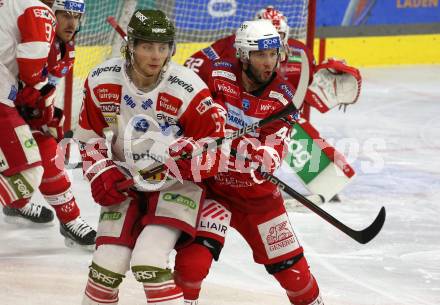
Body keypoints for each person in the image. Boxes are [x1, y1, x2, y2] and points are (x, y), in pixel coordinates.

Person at [75, 9, 225, 305]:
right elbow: (88, 136)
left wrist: (191, 157)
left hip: (174, 185)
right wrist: (101, 169)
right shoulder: (102, 79)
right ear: (131, 45)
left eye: (163, 47)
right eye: (147, 46)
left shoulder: (188, 87)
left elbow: (215, 148)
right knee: (105, 267)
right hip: (126, 180)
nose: (156, 55)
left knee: (148, 260)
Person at [174, 20, 324, 305]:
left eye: (273, 54)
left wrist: (262, 159)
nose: (269, 62)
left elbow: (274, 148)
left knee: (296, 276)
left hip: (257, 200)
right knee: (191, 266)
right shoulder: (217, 75)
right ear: (243, 55)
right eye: (260, 55)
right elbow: (191, 112)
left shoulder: (283, 98)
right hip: (213, 190)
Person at [2, 0, 97, 250]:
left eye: (76, 16)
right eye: (65, 15)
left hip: (14, 106)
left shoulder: (67, 49)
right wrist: (49, 116)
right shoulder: (33, 25)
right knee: (39, 155)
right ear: (52, 14)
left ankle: (68, 218)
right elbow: (30, 85)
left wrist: (48, 114)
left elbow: (41, 89)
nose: (71, 23)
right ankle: (20, 202)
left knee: (47, 153)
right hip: (7, 103)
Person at [185, 5, 361, 114]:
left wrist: (320, 79)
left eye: (279, 35)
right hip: (232, 113)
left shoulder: (301, 54)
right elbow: (193, 65)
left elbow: (304, 91)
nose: (273, 40)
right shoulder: (234, 45)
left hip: (272, 119)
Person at [0, 1, 56, 223]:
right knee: (29, 172)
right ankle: (18, 201)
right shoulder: (35, 8)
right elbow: (32, 72)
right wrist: (46, 98)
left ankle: (18, 204)